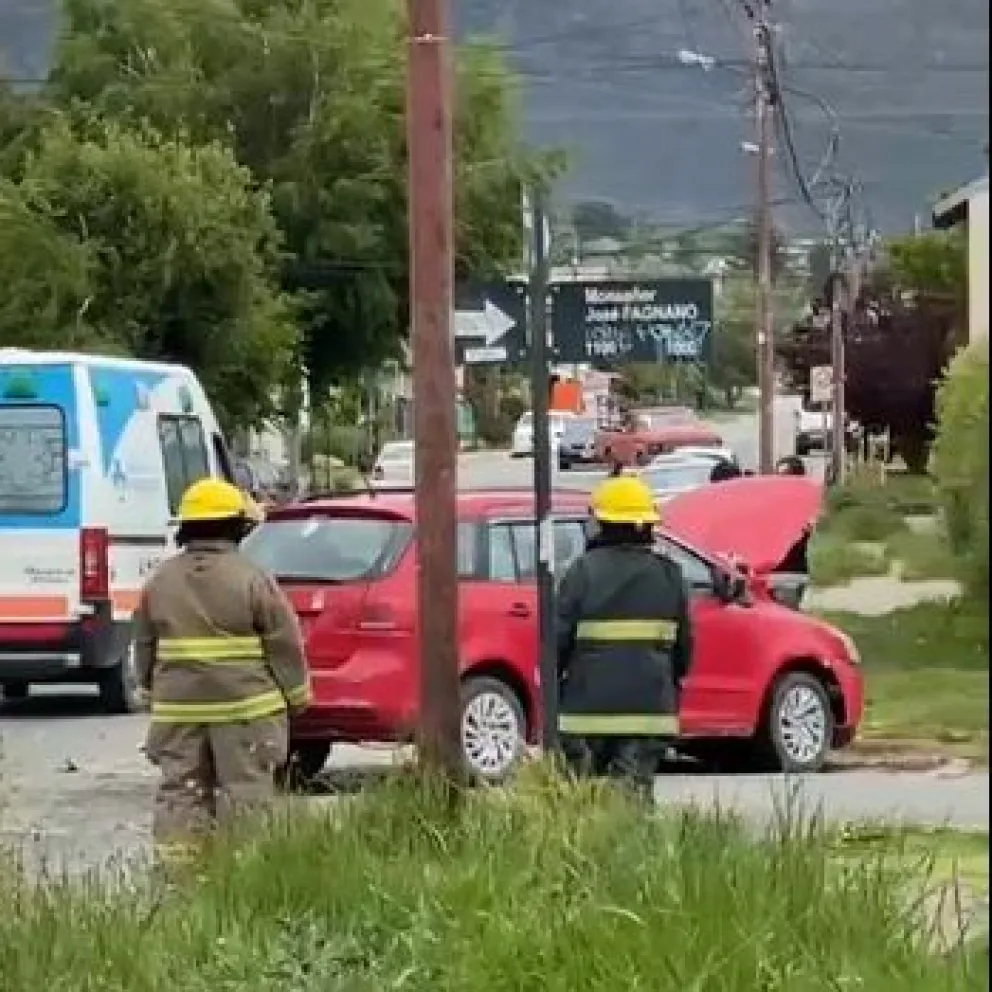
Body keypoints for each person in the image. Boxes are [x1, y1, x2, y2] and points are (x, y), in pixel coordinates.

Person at [133, 478, 311, 870]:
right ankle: (246, 875)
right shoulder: (251, 578)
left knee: (181, 793)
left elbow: (144, 644)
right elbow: (283, 640)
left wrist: (149, 689)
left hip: (179, 713)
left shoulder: (159, 582)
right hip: (245, 712)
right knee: (247, 793)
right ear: (237, 526)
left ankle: (179, 877)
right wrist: (297, 695)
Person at [556, 474, 693, 799]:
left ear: (601, 524)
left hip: (585, 719)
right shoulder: (669, 574)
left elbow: (557, 643)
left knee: (583, 805)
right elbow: (684, 651)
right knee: (633, 801)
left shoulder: (581, 571)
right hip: (649, 717)